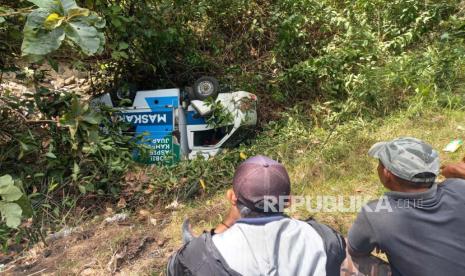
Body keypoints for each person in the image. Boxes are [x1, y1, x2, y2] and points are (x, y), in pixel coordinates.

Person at [167, 155, 346, 276]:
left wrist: (210, 238)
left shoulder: (198, 254)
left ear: (231, 197)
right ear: (288, 201)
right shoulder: (325, 239)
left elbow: (174, 268)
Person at [347, 137, 465, 276]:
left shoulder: (376, 214)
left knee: (342, 253)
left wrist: (381, 237)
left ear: (386, 173)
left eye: (380, 163)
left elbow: (355, 249)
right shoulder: (459, 187)